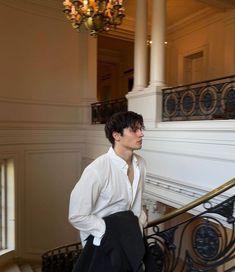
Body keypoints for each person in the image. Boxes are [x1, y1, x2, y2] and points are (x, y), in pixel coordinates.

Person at [68, 111, 147, 271]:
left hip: (132, 239)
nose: (141, 134)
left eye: (141, 129)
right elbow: (76, 215)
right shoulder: (97, 170)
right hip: (103, 244)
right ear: (116, 135)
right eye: (134, 130)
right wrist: (107, 231)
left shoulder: (141, 164)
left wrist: (140, 221)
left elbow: (136, 202)